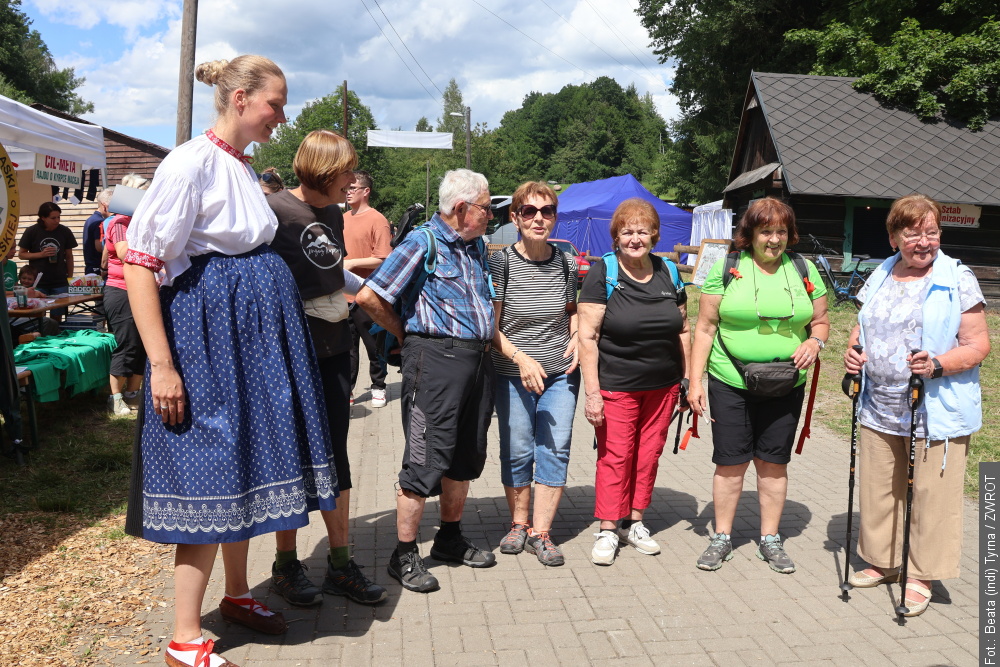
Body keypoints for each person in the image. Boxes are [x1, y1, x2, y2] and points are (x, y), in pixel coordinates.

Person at [121, 55, 339, 667]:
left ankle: (238, 593)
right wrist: (162, 366)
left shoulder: (239, 165)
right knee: (213, 469)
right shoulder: (189, 164)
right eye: (276, 104)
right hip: (209, 343)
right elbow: (140, 263)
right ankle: (184, 636)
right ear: (240, 98)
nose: (282, 117)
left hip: (249, 345)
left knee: (245, 463)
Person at [843, 194, 989, 616]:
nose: (924, 241)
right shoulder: (881, 273)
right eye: (913, 233)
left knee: (932, 494)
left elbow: (978, 344)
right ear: (894, 238)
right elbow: (863, 325)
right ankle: (884, 561)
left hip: (934, 409)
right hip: (879, 406)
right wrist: (853, 352)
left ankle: (922, 574)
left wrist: (938, 364)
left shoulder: (957, 277)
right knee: (880, 487)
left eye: (931, 232)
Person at [356, 168, 497, 593]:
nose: (491, 214)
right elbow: (369, 296)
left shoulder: (476, 246)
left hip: (477, 361)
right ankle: (403, 554)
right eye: (486, 207)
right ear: (462, 208)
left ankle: (449, 539)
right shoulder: (422, 242)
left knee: (465, 455)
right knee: (424, 460)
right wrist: (405, 334)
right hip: (435, 362)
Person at [266, 130, 386, 607]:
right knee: (293, 458)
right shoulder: (274, 212)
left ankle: (340, 564)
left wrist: (382, 305)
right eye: (346, 172)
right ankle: (285, 565)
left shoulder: (334, 214)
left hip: (335, 352)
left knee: (336, 456)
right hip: (292, 357)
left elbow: (335, 273)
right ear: (324, 172)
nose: (352, 181)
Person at [687, 197, 828, 574]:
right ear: (749, 234)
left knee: (773, 462)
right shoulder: (727, 267)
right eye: (766, 231)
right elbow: (705, 328)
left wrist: (815, 342)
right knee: (730, 462)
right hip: (730, 381)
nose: (774, 239)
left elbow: (821, 321)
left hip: (786, 383)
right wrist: (695, 381)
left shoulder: (804, 268)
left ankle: (770, 539)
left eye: (781, 231)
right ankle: (722, 537)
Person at [578, 198, 690, 566]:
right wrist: (592, 393)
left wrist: (688, 379)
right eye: (627, 232)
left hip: (663, 386)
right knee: (616, 456)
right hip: (617, 385)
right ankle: (608, 528)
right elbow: (588, 337)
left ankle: (634, 522)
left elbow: (684, 328)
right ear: (616, 236)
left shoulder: (668, 271)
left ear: (655, 235)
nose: (635, 239)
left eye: (643, 231)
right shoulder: (604, 272)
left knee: (648, 455)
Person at [489, 181, 578, 567]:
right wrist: (521, 359)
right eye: (529, 211)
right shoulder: (502, 262)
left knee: (555, 448)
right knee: (518, 448)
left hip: (560, 373)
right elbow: (491, 327)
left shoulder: (567, 262)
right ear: (515, 217)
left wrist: (577, 335)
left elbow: (572, 310)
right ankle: (518, 525)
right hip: (512, 372)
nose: (538, 218)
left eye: (547, 211)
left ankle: (541, 533)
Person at [344, 170, 392, 408]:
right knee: (347, 348)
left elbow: (384, 258)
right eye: (347, 187)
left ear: (366, 191)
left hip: (369, 294)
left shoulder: (377, 219)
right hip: (343, 295)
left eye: (353, 188)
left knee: (374, 346)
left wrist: (352, 263)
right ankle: (347, 389)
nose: (348, 191)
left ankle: (378, 386)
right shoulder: (342, 218)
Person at [104, 176, 151, 416]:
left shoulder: (140, 221)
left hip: (142, 288)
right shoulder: (121, 222)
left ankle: (133, 393)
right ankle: (115, 397)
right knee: (128, 343)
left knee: (143, 344)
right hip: (121, 290)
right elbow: (123, 253)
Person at [18, 202, 78, 322]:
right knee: (38, 315)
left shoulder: (64, 231)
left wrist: (69, 278)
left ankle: (55, 332)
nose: (57, 221)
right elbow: (21, 254)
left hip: (59, 281)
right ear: (43, 218)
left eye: (58, 217)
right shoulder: (32, 231)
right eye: (53, 218)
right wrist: (41, 254)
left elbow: (69, 256)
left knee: (57, 315)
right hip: (38, 282)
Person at [8, 265, 60, 338]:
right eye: (24, 278)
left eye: (29, 279)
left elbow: (42, 298)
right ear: (19, 277)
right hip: (18, 317)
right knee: (50, 323)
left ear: (34, 280)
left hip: (31, 315)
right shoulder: (17, 289)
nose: (26, 281)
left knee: (53, 323)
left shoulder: (35, 290)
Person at [83, 188, 113, 275]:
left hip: (90, 267)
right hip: (98, 268)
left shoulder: (90, 219)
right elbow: (99, 247)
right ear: (104, 206)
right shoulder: (99, 222)